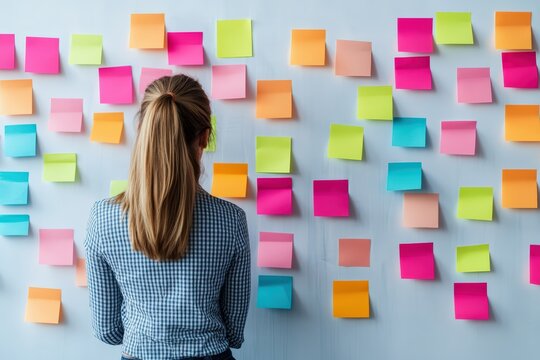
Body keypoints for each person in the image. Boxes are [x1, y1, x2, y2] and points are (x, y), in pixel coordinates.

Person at [84, 74, 251, 360]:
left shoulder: (102, 218)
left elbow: (107, 330)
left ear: (143, 129)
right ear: (204, 137)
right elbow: (234, 332)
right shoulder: (231, 220)